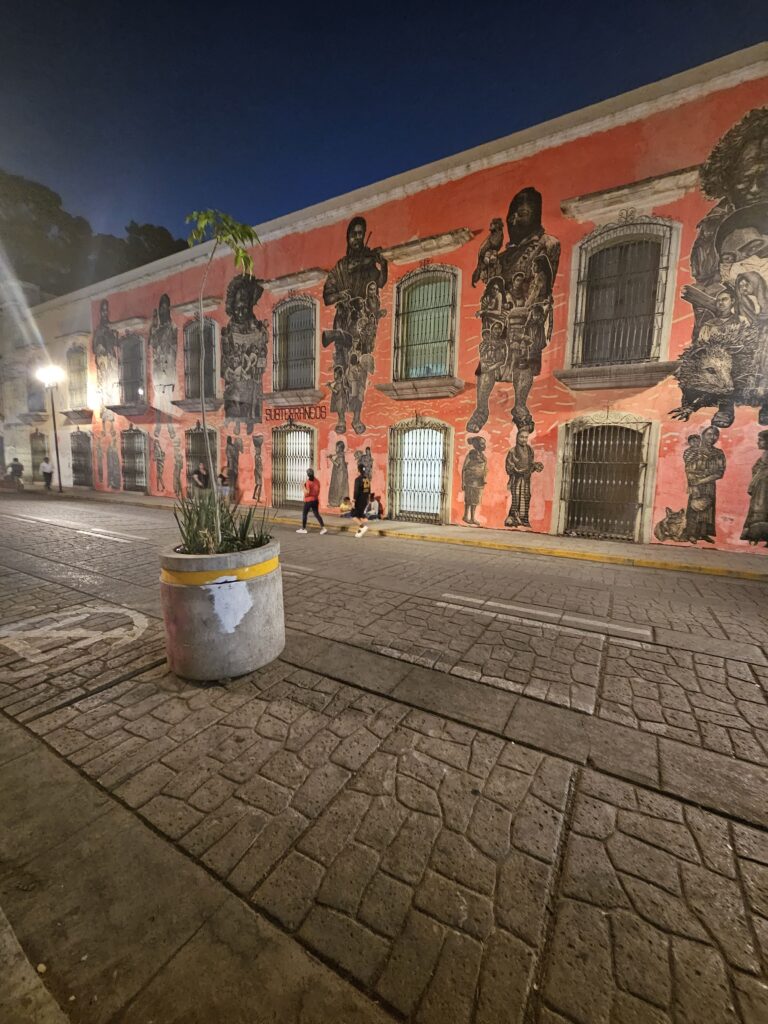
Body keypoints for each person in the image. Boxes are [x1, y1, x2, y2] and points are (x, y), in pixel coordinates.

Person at [297, 469, 327, 535]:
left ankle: (303, 529)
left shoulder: (308, 482)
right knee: (317, 514)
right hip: (315, 500)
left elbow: (307, 493)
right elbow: (318, 491)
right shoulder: (317, 481)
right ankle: (323, 528)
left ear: (307, 475)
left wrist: (302, 486)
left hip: (308, 501)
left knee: (304, 514)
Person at [352, 462, 371, 538]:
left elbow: (356, 491)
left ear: (358, 470)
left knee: (353, 515)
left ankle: (363, 527)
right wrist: (368, 500)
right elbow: (369, 490)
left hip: (359, 500)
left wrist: (354, 501)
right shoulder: (367, 479)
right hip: (365, 499)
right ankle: (360, 531)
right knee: (359, 516)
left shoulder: (358, 479)